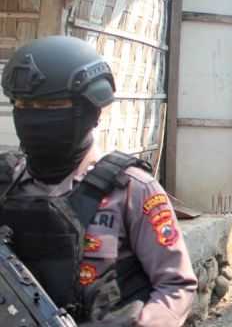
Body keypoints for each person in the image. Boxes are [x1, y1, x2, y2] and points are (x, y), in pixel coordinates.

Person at [0, 35, 197, 325]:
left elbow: (176, 285)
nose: (34, 117)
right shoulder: (6, 183)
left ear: (90, 109)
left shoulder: (132, 189)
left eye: (51, 107)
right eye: (24, 105)